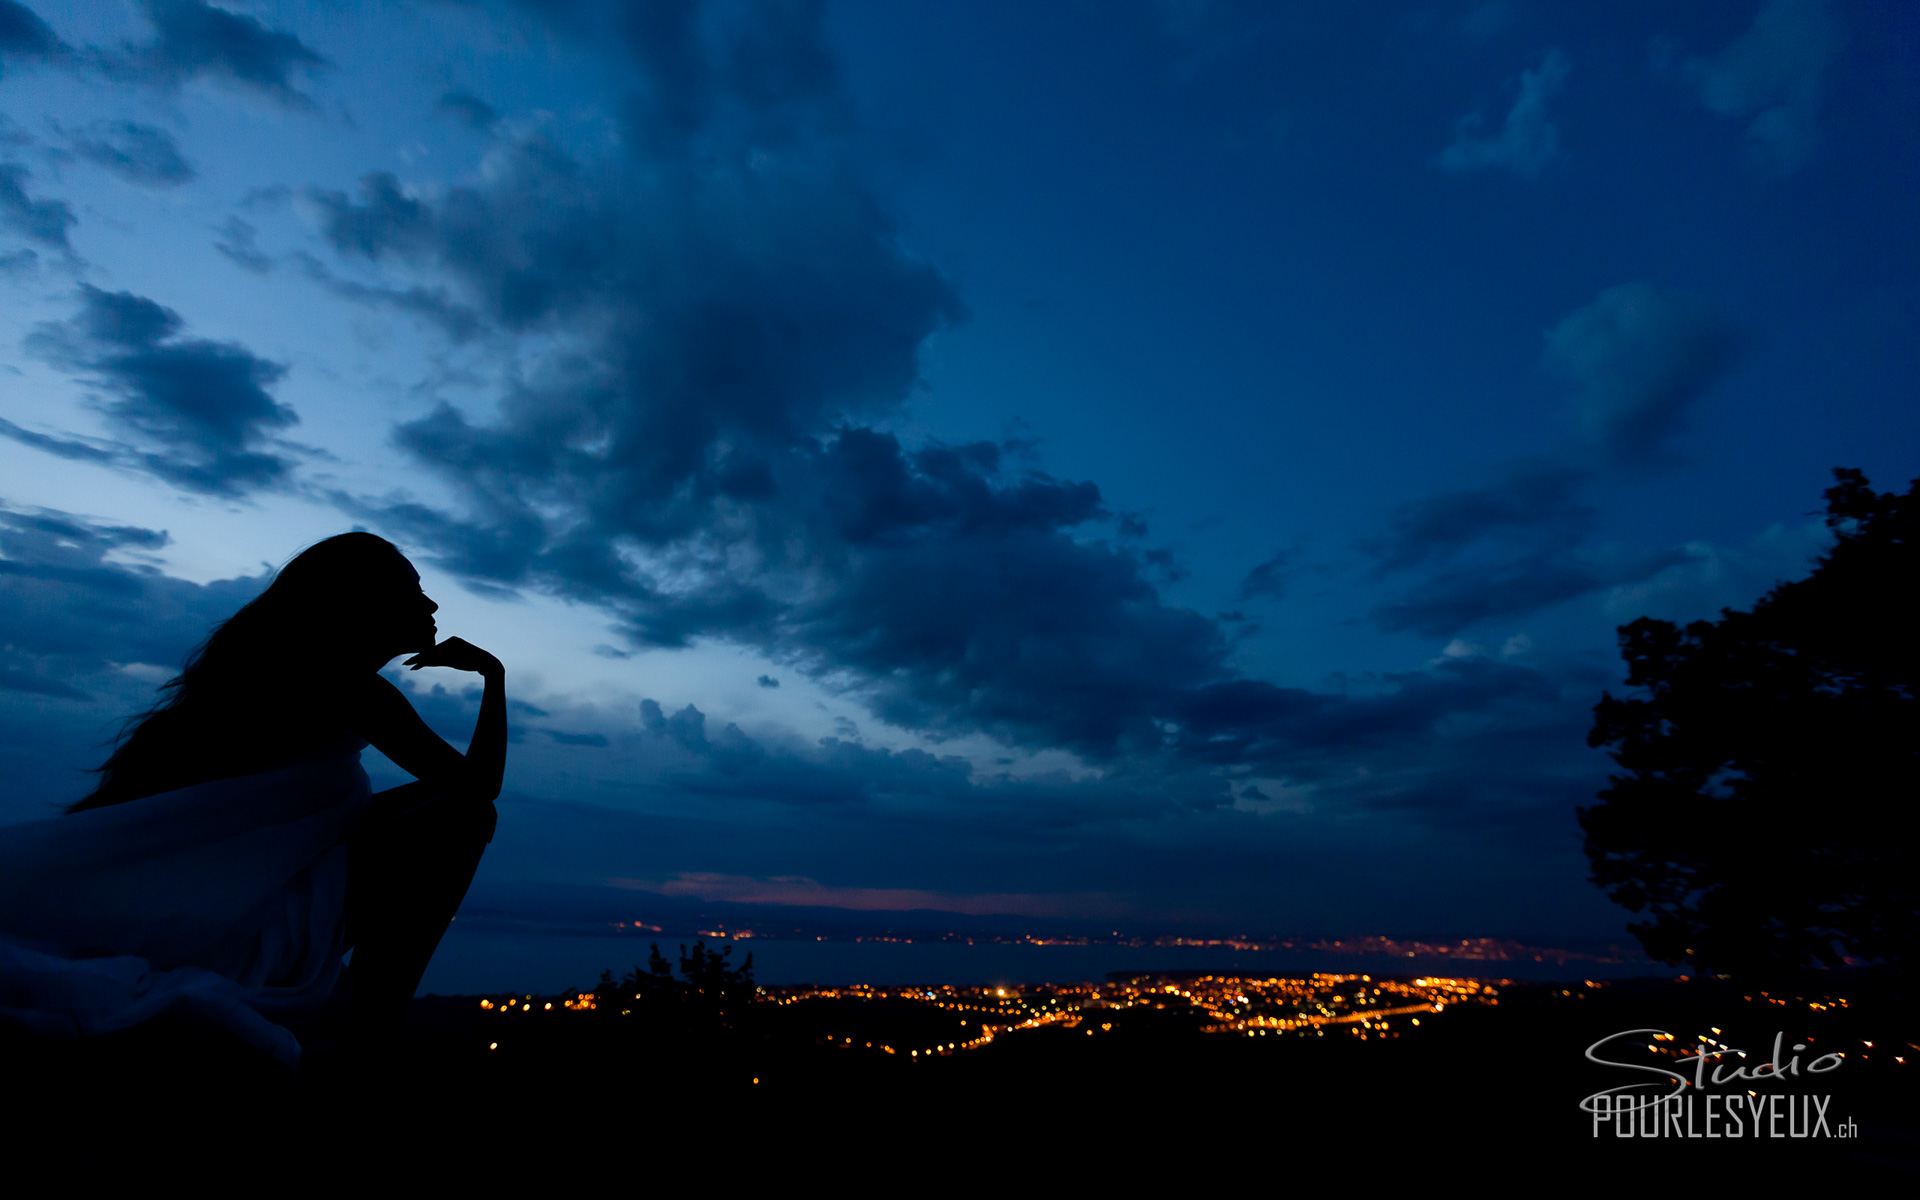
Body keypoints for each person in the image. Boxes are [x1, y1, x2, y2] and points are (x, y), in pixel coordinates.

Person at [0, 531, 506, 1073]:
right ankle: (367, 1030)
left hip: (246, 903)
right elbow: (478, 787)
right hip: (257, 924)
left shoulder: (304, 676)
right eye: (413, 592)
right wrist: (491, 676)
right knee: (467, 816)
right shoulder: (348, 686)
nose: (430, 604)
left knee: (449, 807)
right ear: (364, 604)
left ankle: (364, 1027)